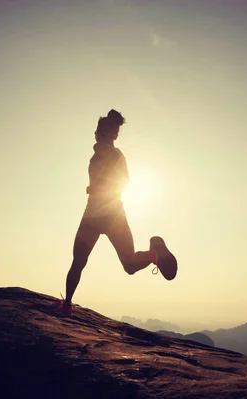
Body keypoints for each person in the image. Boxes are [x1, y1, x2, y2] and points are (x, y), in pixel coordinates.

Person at [54, 109, 177, 316]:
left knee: (78, 262)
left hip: (97, 216)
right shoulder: (105, 155)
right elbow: (125, 181)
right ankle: (153, 254)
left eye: (99, 131)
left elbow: (122, 182)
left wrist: (98, 187)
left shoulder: (112, 155)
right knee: (126, 263)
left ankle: (67, 305)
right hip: (109, 215)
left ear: (102, 133)